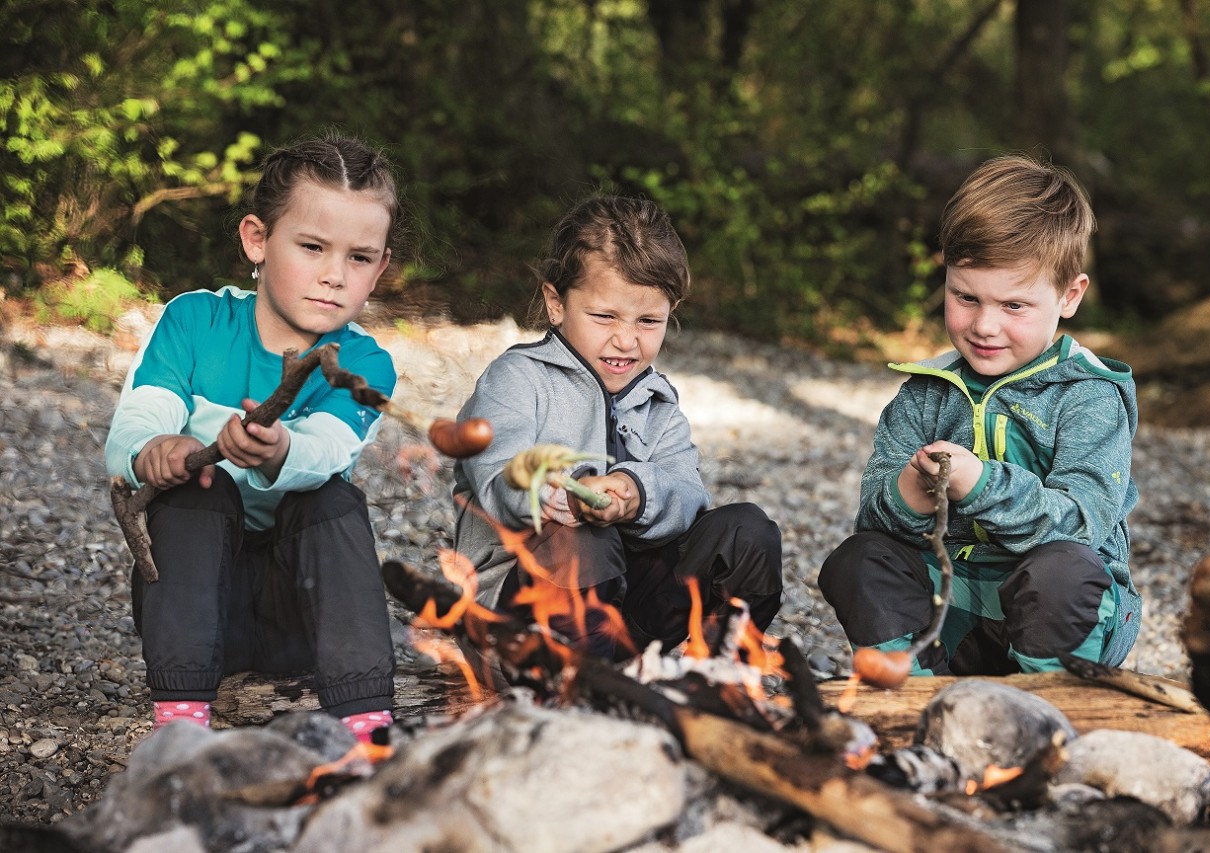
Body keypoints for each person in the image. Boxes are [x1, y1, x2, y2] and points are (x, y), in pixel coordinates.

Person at [105, 131, 402, 742]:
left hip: (306, 620)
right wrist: (153, 450)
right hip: (200, 615)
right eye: (313, 247)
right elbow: (140, 415)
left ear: (381, 267)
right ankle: (181, 725)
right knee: (196, 492)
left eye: (359, 258)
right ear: (257, 239)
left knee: (331, 498)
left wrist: (282, 451)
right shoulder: (195, 321)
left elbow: (326, 449)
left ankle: (369, 724)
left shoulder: (363, 364)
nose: (334, 276)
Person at [819, 154, 1142, 677]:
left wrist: (982, 485)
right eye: (965, 297)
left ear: (1069, 296)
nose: (984, 326)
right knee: (859, 560)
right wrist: (910, 490)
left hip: (1057, 614)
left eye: (1014, 306)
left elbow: (1081, 524)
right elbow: (874, 517)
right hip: (954, 612)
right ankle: (918, 693)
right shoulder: (926, 393)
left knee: (1064, 570)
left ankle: (1047, 701)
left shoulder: (1088, 396)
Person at [452, 195, 783, 660]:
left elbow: (687, 494)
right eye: (605, 316)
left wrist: (635, 492)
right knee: (584, 534)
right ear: (556, 303)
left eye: (649, 321)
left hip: (627, 617)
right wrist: (541, 489)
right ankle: (581, 691)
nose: (626, 340)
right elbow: (495, 471)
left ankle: (711, 672)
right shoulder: (516, 380)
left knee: (747, 532)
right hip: (522, 619)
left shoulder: (658, 403)